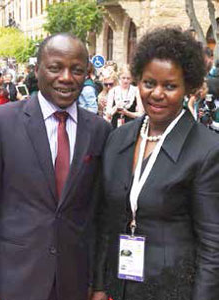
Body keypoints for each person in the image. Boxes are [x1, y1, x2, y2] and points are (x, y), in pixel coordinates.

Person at [92, 27, 219, 300]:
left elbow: (213, 246)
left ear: (188, 87)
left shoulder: (208, 151)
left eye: (170, 86)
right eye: (149, 83)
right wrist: (100, 285)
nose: (157, 94)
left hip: (172, 290)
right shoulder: (119, 139)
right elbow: (106, 220)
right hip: (120, 287)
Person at [0, 32, 111, 300]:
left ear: (87, 75)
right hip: (14, 279)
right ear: (37, 70)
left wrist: (98, 282)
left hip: (74, 281)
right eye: (55, 67)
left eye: (77, 70)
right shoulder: (4, 123)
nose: (66, 77)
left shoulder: (100, 131)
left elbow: (99, 214)